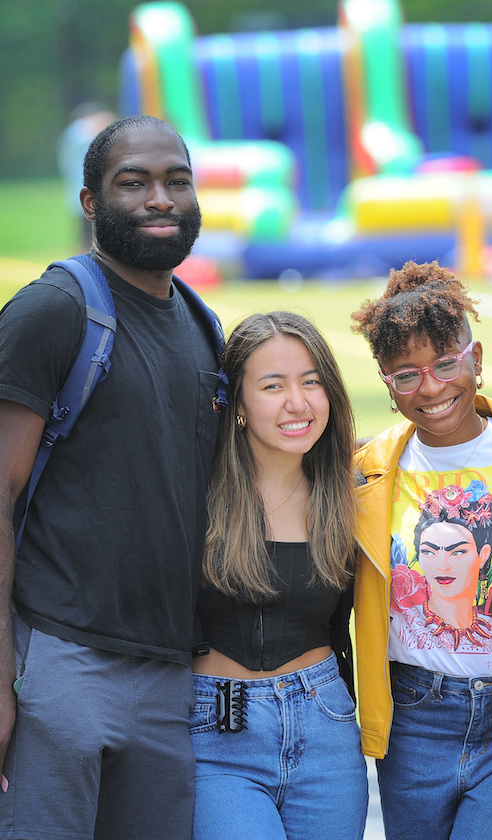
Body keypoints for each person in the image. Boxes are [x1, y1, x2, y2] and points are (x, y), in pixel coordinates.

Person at [0, 115, 219, 839]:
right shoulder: (53, 311)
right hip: (61, 663)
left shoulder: (201, 323)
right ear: (91, 201)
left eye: (176, 181)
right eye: (135, 183)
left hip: (168, 676)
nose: (160, 198)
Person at [351, 260, 492, 840]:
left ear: (474, 360)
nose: (431, 387)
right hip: (414, 720)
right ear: (387, 384)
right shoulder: (367, 472)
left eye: (445, 363)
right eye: (406, 375)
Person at [191, 311, 368, 839]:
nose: (299, 403)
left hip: (326, 727)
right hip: (218, 729)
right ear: (237, 403)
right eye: (273, 386)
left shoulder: (354, 493)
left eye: (312, 382)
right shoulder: (194, 488)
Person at [58, 103, 117, 250]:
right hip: (89, 189)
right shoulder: (80, 131)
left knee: (87, 231)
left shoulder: (70, 135)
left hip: (78, 189)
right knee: (91, 232)